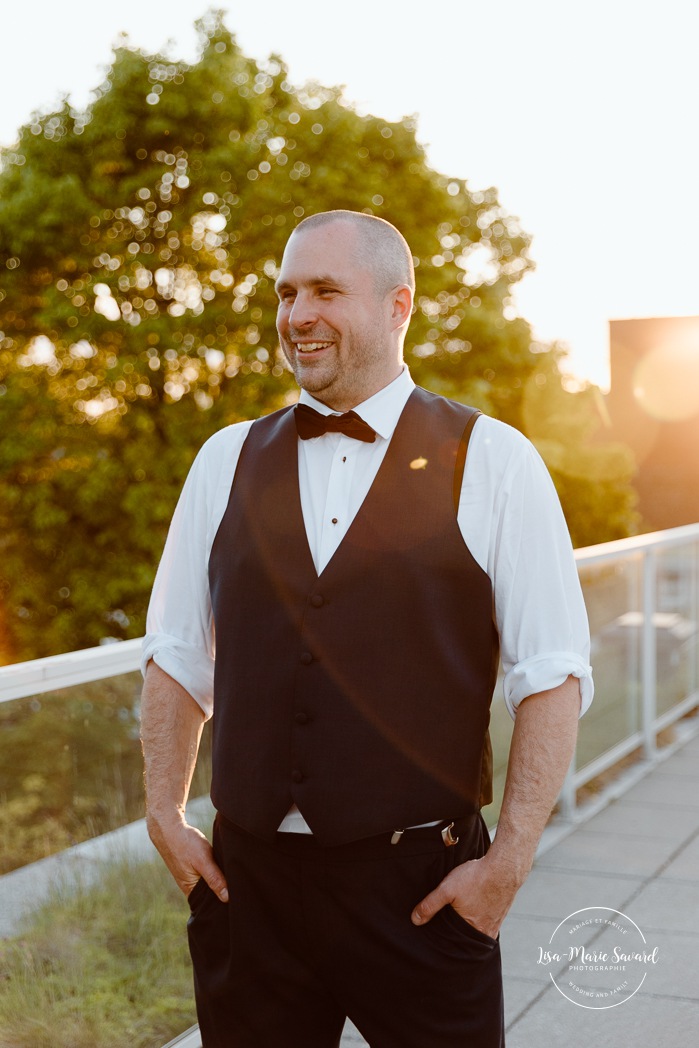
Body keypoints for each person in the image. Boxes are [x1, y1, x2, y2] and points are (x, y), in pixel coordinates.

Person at [140, 209, 593, 1048]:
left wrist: (507, 867)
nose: (295, 313)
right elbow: (175, 655)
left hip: (421, 889)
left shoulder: (493, 460)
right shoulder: (223, 460)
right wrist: (163, 813)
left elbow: (552, 673)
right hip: (252, 891)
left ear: (397, 307)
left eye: (324, 290)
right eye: (285, 293)